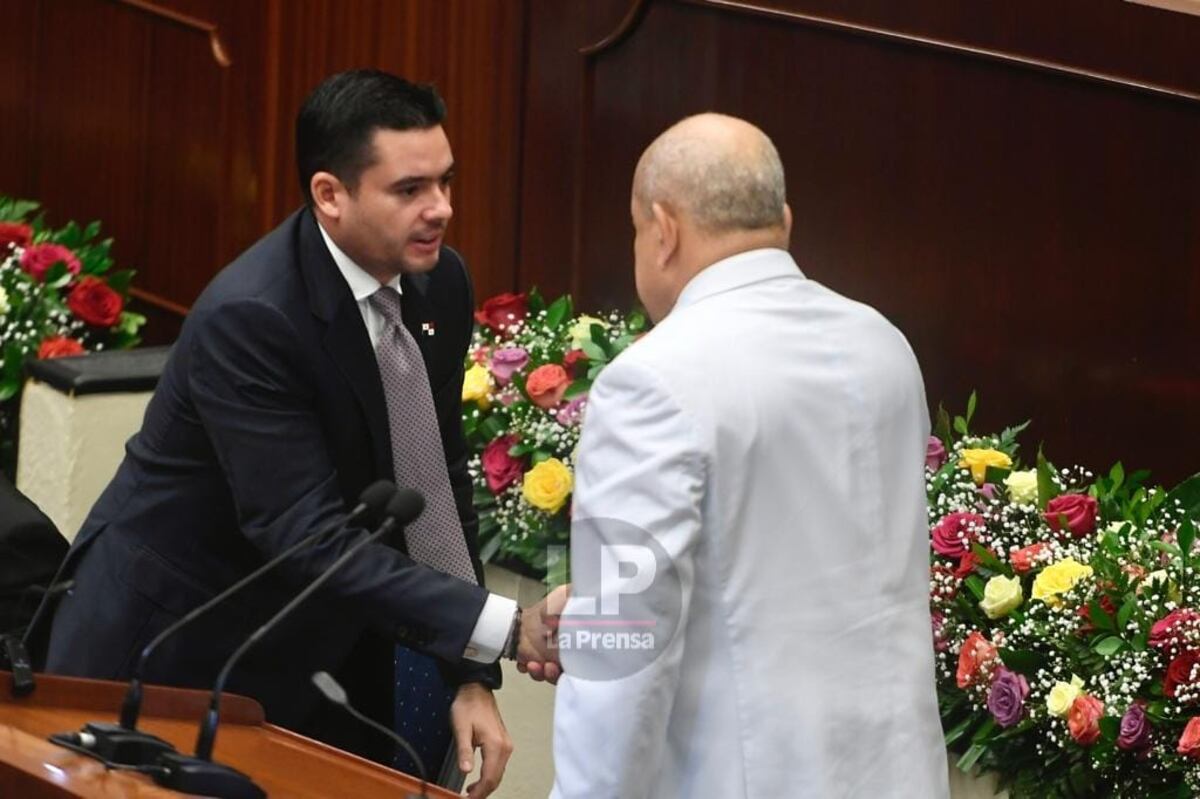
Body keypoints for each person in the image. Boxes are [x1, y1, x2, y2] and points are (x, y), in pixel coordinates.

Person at [29, 70, 556, 798]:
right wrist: (508, 623)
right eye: (410, 190)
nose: (442, 209)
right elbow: (307, 537)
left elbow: (430, 480)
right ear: (329, 195)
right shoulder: (252, 318)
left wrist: (469, 672)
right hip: (174, 657)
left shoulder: (441, 283)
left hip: (319, 656)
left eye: (447, 181)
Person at [550, 114, 949, 797]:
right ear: (784, 221)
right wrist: (595, 604)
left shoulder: (654, 378)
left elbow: (626, 654)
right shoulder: (883, 344)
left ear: (663, 228)